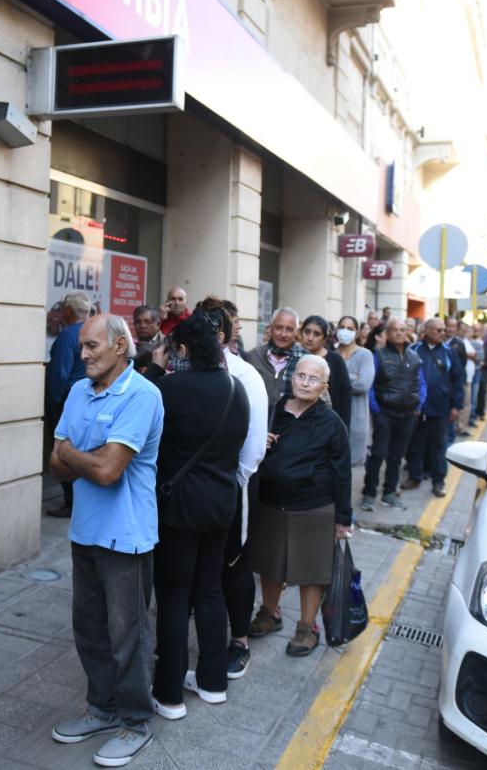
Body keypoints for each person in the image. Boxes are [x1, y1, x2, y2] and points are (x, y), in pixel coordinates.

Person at [49, 314, 164, 767]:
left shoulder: (143, 394)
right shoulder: (78, 391)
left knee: (128, 635)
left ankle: (136, 722)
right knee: (90, 629)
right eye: (81, 347)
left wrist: (75, 452)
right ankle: (101, 709)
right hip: (86, 530)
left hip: (128, 536)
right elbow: (53, 465)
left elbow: (106, 470)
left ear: (120, 346)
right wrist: (85, 457)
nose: (83, 355)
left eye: (92, 346)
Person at [143, 312, 250, 719]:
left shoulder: (170, 387)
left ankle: (169, 694)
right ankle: (212, 682)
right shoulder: (237, 389)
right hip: (221, 503)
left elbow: (142, 416)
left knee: (173, 596)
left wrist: (154, 367)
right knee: (209, 589)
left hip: (180, 506)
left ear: (183, 350)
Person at [247, 354, 352, 657]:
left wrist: (343, 518)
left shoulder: (332, 423)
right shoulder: (274, 412)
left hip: (314, 507)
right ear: (291, 378)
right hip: (270, 503)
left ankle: (306, 627)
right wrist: (258, 441)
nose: (305, 383)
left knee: (312, 571)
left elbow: (342, 473)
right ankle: (269, 612)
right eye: (301, 376)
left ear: (324, 386)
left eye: (313, 379)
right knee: (270, 563)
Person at [191, 297, 267, 681]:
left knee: (234, 564)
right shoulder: (182, 370)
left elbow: (254, 447)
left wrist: (231, 484)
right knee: (200, 567)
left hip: (232, 486)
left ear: (222, 333)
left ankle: (239, 641)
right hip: (194, 489)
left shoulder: (246, 375)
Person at [361, 319, 425, 511]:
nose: (398, 333)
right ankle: (369, 493)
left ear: (407, 332)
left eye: (402, 330)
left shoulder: (414, 357)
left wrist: (418, 404)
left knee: (396, 457)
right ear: (387, 333)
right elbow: (370, 385)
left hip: (407, 415)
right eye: (394, 330)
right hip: (384, 414)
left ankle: (389, 493)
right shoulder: (378, 355)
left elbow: (421, 383)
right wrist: (376, 410)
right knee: (378, 454)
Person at [404, 318, 464, 498]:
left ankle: (438, 482)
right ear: (427, 330)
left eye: (444, 330)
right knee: (415, 444)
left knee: (439, 445)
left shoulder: (449, 352)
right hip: (416, 408)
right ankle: (415, 476)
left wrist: (456, 406)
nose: (443, 333)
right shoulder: (413, 350)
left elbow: (457, 380)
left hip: (440, 408)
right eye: (439, 330)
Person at [45, 293, 91, 518]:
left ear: (69, 312)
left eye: (64, 308)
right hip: (90, 402)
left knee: (63, 454)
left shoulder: (67, 337)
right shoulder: (93, 333)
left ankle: (70, 504)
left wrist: (52, 408)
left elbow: (58, 378)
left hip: (67, 403)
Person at [243, 307, 307, 413]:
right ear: (271, 328)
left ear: (296, 332)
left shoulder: (306, 360)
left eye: (289, 329)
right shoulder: (253, 356)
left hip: (291, 425)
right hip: (257, 422)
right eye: (278, 328)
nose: (283, 334)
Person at [299, 314, 351, 433]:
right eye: (307, 332)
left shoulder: (335, 360)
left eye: (316, 334)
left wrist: (343, 429)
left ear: (324, 338)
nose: (310, 338)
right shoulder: (295, 356)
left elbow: (344, 396)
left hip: (327, 424)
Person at [334, 316, 374, 468]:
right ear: (336, 330)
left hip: (356, 418)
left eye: (350, 329)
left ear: (357, 333)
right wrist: (352, 377)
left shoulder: (365, 355)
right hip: (334, 416)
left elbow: (363, 384)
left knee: (349, 466)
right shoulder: (332, 355)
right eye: (342, 327)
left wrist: (338, 376)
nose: (345, 331)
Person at [444, 318, 472, 440]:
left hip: (454, 384)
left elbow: (461, 366)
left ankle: (458, 428)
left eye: (453, 327)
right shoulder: (440, 341)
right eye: (448, 326)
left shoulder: (459, 344)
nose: (450, 329)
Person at [472, 326, 487, 427]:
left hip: (483, 373)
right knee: (474, 395)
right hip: (473, 373)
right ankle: (474, 414)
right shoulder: (470, 345)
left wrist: (484, 364)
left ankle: (480, 413)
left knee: (481, 392)